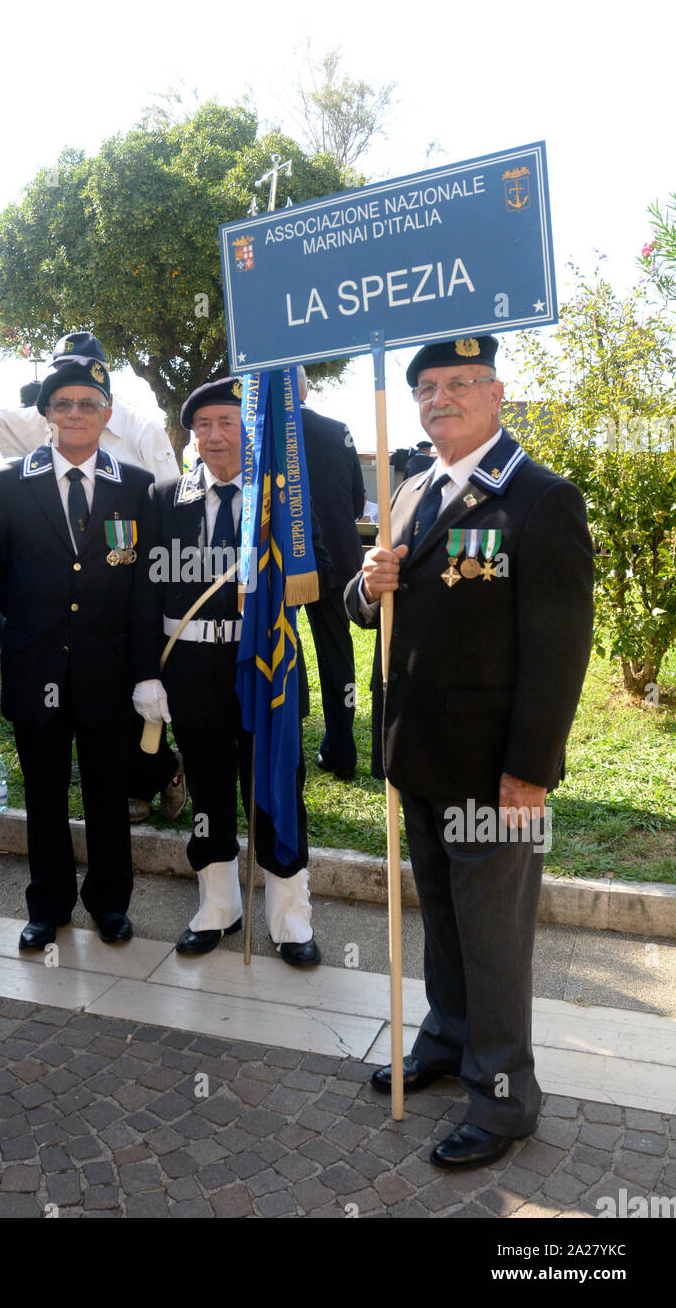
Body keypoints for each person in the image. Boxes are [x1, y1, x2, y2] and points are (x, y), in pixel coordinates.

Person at [346, 334, 593, 1170]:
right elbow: (367, 599)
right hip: (417, 756)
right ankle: (448, 1041)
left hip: (493, 773)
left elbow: (559, 649)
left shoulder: (537, 498)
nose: (438, 398)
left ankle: (504, 1098)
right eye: (426, 387)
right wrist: (363, 585)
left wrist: (530, 771)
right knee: (445, 923)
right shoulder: (412, 487)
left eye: (459, 383)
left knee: (492, 939)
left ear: (495, 394)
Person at [134, 378, 327, 967]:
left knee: (273, 790)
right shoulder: (165, 496)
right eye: (203, 426)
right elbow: (144, 593)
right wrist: (148, 675)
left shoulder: (283, 499)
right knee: (209, 790)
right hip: (191, 671)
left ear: (252, 428)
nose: (215, 436)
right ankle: (217, 907)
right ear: (191, 436)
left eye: (229, 422)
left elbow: (314, 584)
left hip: (265, 670)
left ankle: (290, 917)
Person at [0, 353, 155, 949]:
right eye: (63, 404)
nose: (76, 413)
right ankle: (47, 905)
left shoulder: (135, 487)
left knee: (109, 792)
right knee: (44, 794)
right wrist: (19, 635)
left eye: (89, 403)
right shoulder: (7, 484)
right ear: (46, 414)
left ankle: (110, 903)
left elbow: (142, 588)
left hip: (108, 672)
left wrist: (145, 673)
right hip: (37, 669)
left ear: (107, 414)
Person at [0, 330, 180, 484]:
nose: (71, 379)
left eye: (80, 368)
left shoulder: (144, 430)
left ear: (105, 372)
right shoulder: (44, 421)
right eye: (63, 371)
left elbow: (169, 507)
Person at [297, 366, 367, 782]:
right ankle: (342, 750)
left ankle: (286, 748)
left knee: (281, 653)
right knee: (337, 659)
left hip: (280, 564)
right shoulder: (338, 429)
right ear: (305, 389)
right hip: (336, 563)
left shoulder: (257, 435)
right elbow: (358, 501)